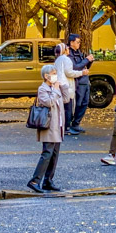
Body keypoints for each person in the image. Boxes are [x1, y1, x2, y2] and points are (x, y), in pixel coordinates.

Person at [28, 64, 64, 192]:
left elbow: (66, 99)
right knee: (47, 153)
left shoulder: (55, 88)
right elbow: (49, 102)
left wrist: (63, 86)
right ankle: (35, 180)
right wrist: (56, 90)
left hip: (58, 125)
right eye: (53, 73)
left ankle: (48, 180)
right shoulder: (42, 89)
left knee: (54, 155)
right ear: (46, 76)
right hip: (49, 125)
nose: (55, 76)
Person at [68, 34, 94, 135]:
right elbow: (75, 67)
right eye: (77, 42)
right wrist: (86, 60)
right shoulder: (69, 54)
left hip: (85, 80)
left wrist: (89, 61)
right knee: (77, 104)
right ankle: (71, 124)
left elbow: (84, 66)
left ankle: (76, 123)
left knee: (84, 103)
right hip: (78, 82)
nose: (79, 44)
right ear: (71, 42)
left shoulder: (79, 52)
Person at [53, 42, 75, 134]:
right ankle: (67, 127)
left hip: (58, 84)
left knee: (62, 107)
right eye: (67, 48)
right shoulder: (66, 59)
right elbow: (69, 72)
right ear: (64, 50)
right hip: (65, 85)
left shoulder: (57, 59)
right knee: (68, 106)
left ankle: (61, 126)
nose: (68, 49)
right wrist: (81, 73)